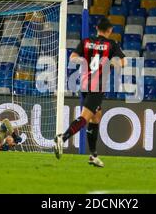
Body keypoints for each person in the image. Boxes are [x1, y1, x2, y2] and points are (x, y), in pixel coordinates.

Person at [54, 17, 126, 167]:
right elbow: (123, 62)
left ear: (97, 29)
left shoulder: (86, 41)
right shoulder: (111, 44)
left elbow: (73, 58)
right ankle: (62, 138)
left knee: (96, 117)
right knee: (85, 118)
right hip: (97, 86)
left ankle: (93, 156)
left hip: (85, 84)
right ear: (110, 30)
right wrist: (113, 62)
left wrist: (83, 61)